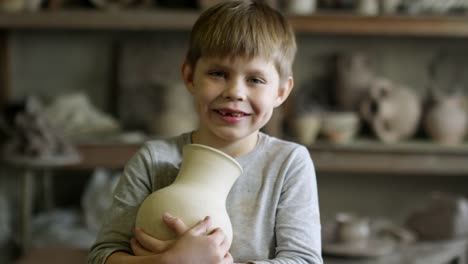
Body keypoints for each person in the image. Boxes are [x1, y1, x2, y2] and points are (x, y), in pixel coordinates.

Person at [88, 0, 322, 263]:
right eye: (218, 73)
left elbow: (305, 260)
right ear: (189, 77)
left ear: (281, 91)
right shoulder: (153, 160)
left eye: (255, 80)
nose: (235, 92)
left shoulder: (289, 163)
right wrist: (168, 261)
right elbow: (101, 257)